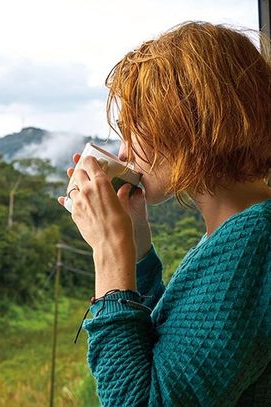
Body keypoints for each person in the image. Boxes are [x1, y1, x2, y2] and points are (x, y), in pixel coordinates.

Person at [57, 21, 271, 406]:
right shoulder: (235, 230)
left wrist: (109, 254)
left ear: (187, 122)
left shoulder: (255, 239)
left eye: (132, 130)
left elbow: (140, 399)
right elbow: (173, 349)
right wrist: (137, 251)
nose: (123, 153)